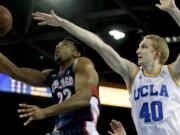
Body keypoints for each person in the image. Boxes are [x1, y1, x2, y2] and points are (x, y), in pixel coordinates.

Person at [32, 0, 180, 134]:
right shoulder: (133, 75)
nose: (137, 51)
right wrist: (63, 23)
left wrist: (174, 10)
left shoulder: (172, 72)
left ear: (156, 54)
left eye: (143, 47)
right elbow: (99, 45)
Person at [0, 37, 100, 135]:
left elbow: (83, 99)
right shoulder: (51, 75)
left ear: (76, 53)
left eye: (65, 44)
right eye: (57, 45)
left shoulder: (82, 63)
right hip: (61, 130)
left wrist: (44, 112)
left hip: (82, 129)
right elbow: (16, 73)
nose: (58, 47)